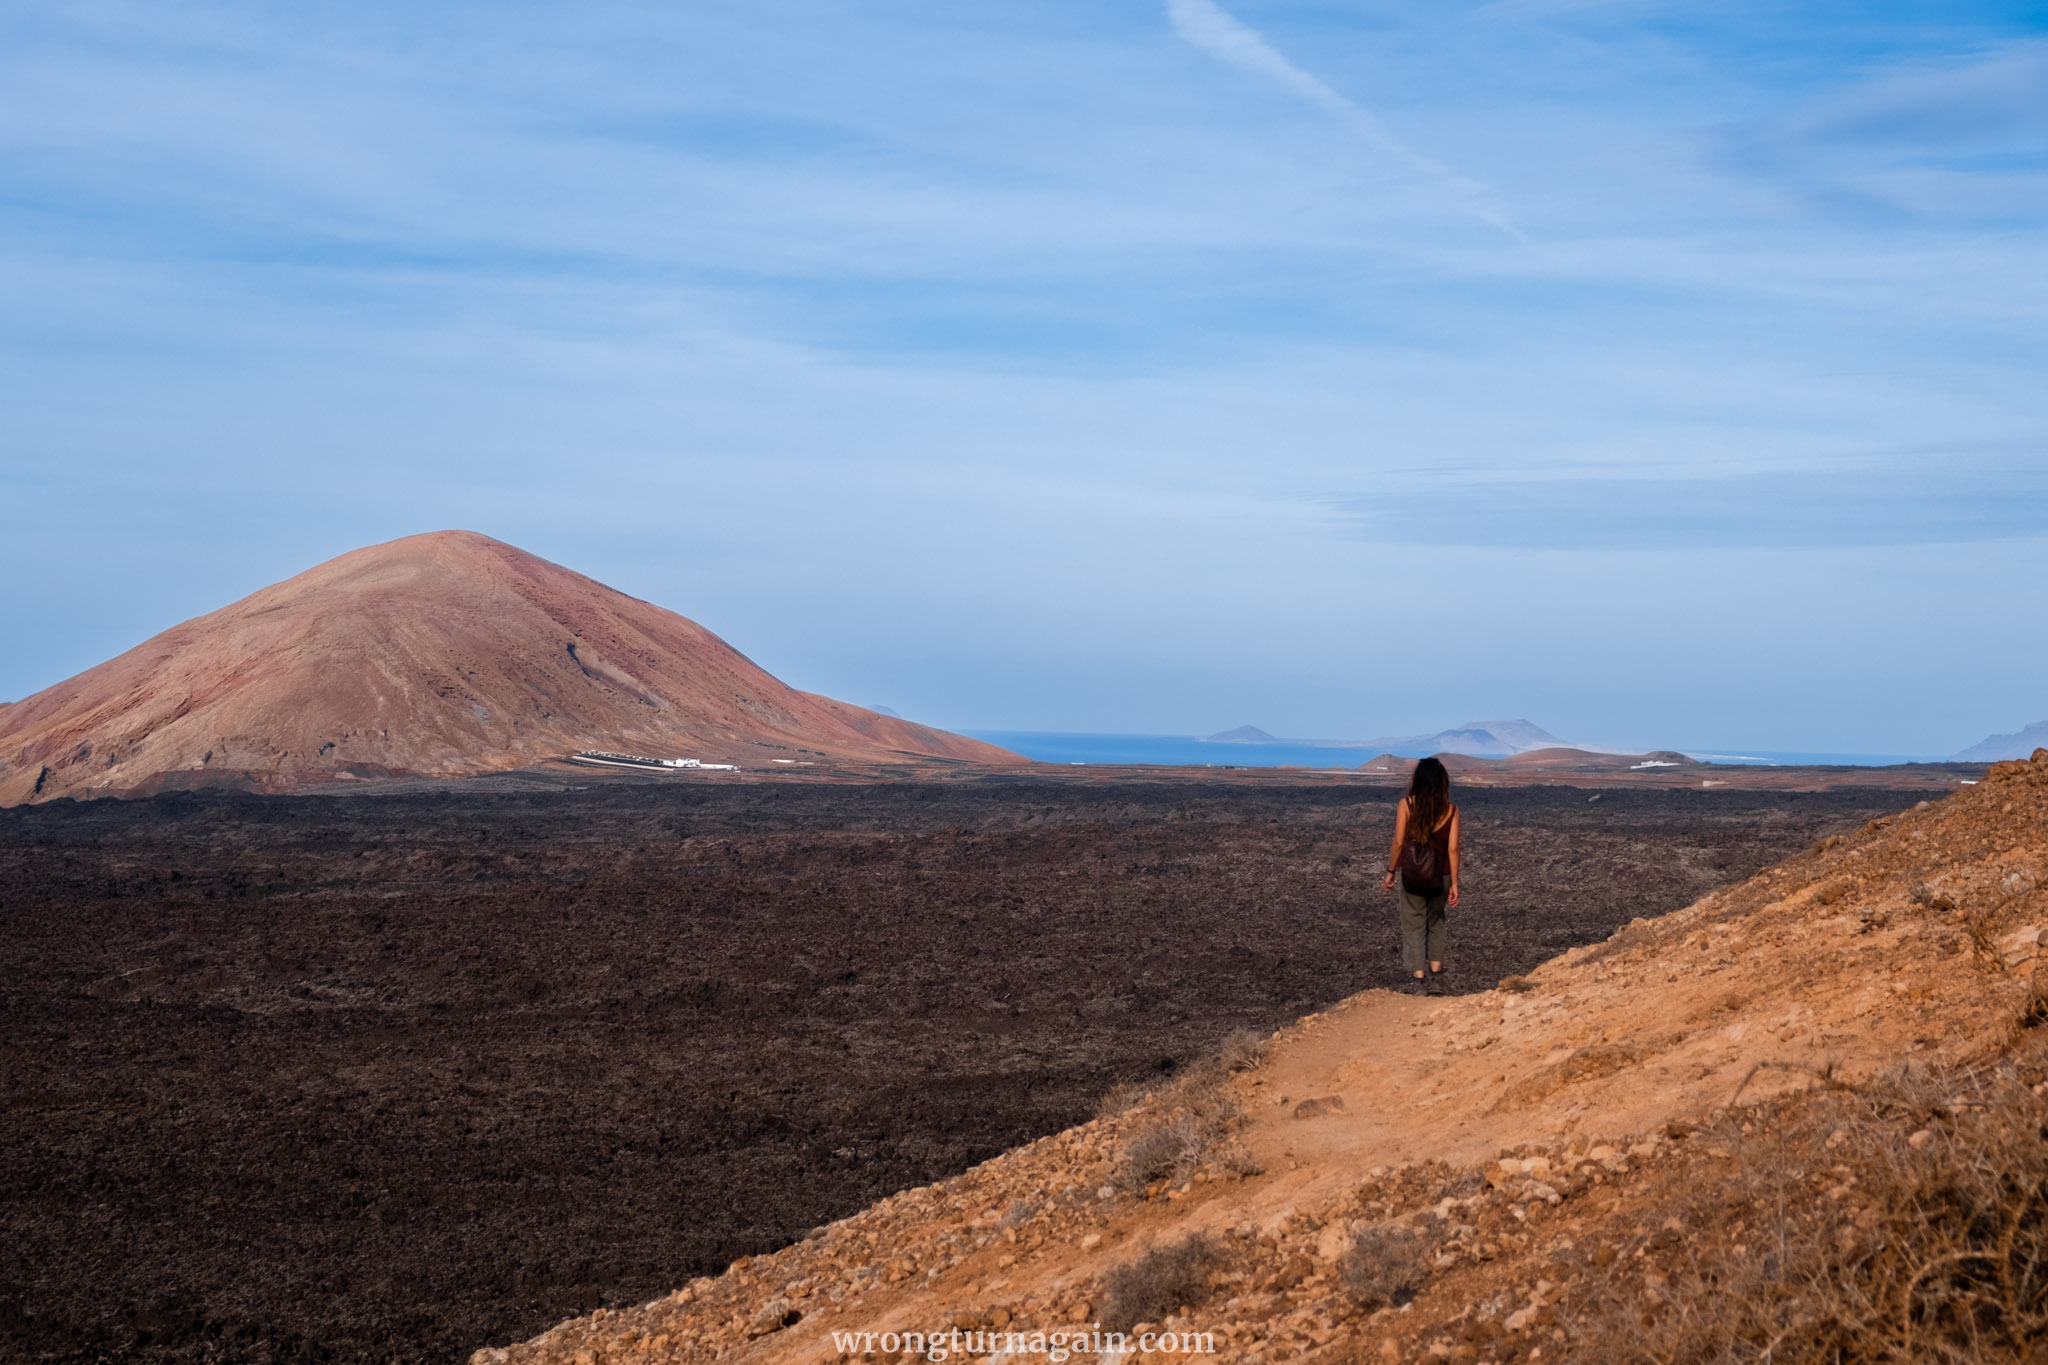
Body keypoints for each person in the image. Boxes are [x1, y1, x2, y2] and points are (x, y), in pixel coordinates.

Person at [1382, 756, 1460, 995]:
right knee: (1436, 923)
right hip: (1441, 875)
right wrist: (1455, 883)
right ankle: (1437, 979)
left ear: (1418, 780)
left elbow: (1398, 843)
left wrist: (1391, 871)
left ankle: (1419, 983)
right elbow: (1453, 849)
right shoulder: (1451, 810)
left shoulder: (1406, 805)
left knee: (1413, 924)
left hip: (1413, 875)